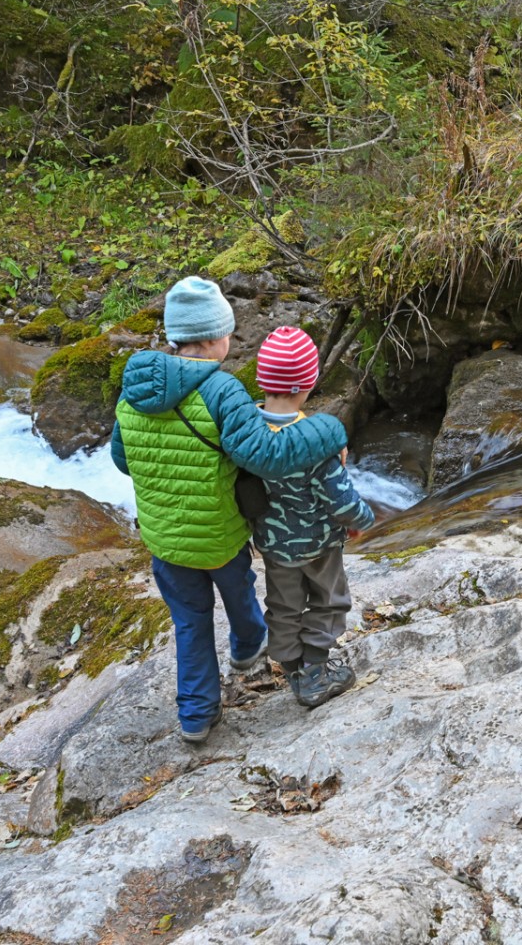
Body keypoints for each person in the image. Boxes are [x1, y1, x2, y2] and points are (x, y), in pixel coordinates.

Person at [110, 277, 347, 741]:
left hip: (164, 540)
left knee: (189, 621)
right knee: (238, 588)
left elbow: (122, 460)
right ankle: (246, 647)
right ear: (217, 337)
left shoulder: (133, 391)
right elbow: (266, 455)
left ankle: (197, 716)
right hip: (220, 534)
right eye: (229, 335)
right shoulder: (223, 392)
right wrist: (330, 429)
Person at [248, 326, 376, 708]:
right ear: (309, 381)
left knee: (284, 605)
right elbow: (341, 500)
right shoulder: (314, 442)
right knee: (328, 601)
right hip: (319, 544)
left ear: (261, 379)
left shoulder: (247, 434)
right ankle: (316, 672)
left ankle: (292, 669)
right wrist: (365, 518)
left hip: (273, 544)